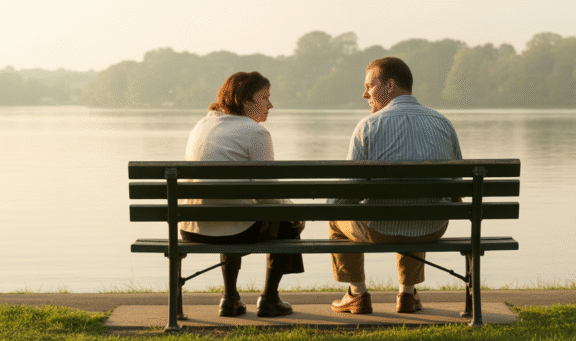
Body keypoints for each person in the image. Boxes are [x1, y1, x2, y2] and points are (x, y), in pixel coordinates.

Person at [329, 57, 463, 314]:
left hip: (379, 230)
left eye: (370, 85)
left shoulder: (368, 126)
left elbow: (345, 194)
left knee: (336, 218)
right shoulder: (442, 123)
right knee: (419, 211)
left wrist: (333, 207)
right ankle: (407, 295)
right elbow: (456, 189)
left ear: (390, 85)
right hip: (432, 228)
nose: (364, 93)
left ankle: (356, 293)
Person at [179, 71, 305, 318]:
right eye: (265, 97)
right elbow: (268, 194)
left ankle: (230, 297)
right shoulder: (255, 132)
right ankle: (270, 299)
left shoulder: (202, 125)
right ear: (245, 100)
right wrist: (294, 211)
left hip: (191, 227)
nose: (270, 105)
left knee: (233, 209)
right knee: (286, 218)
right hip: (233, 229)